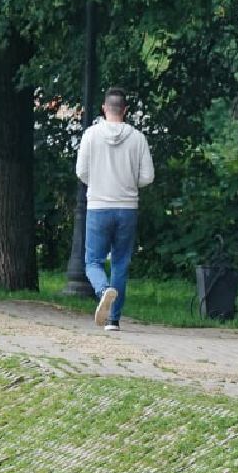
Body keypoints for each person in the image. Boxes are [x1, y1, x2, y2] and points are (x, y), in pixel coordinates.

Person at [76, 87, 155, 332]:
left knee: (92, 261)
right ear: (125, 110)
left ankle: (102, 291)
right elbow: (148, 177)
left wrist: (98, 182)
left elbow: (81, 172)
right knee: (121, 262)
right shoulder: (138, 138)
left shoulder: (91, 135)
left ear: (104, 108)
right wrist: (129, 182)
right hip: (127, 208)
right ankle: (114, 320)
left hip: (98, 206)